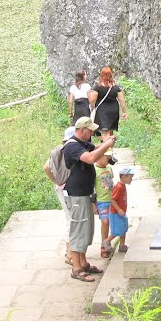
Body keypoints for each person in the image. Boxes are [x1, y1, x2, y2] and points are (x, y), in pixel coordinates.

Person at [63, 116, 116, 282]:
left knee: (86, 230)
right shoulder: (71, 146)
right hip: (76, 194)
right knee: (78, 230)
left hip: (85, 193)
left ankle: (84, 263)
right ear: (81, 130)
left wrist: (107, 141)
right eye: (90, 130)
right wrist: (107, 145)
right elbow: (91, 158)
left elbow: (96, 149)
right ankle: (76, 268)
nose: (92, 132)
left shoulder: (83, 143)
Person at [44, 126, 76, 266]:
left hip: (60, 188)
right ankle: (69, 253)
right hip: (68, 189)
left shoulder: (58, 150)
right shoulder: (71, 151)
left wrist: (56, 181)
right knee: (72, 219)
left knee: (70, 218)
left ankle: (70, 251)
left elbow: (46, 167)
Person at [88, 66, 128, 139]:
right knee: (110, 131)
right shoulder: (116, 87)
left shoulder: (97, 87)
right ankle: (111, 148)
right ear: (111, 75)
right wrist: (124, 112)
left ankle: (107, 149)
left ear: (101, 75)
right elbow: (122, 100)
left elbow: (92, 100)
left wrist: (92, 107)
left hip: (102, 111)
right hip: (114, 111)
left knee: (105, 131)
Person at [108, 166, 135, 254]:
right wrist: (119, 209)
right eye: (130, 178)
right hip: (116, 213)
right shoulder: (119, 187)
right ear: (124, 177)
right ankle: (106, 241)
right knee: (117, 230)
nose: (131, 180)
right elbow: (112, 199)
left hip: (122, 213)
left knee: (123, 229)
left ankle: (122, 245)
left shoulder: (123, 186)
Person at [94, 153, 116, 258]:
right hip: (101, 201)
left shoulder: (109, 168)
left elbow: (111, 183)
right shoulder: (94, 171)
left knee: (112, 221)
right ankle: (103, 245)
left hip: (111, 200)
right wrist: (93, 205)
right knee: (105, 222)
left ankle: (107, 243)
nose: (108, 159)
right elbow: (91, 189)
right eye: (105, 156)